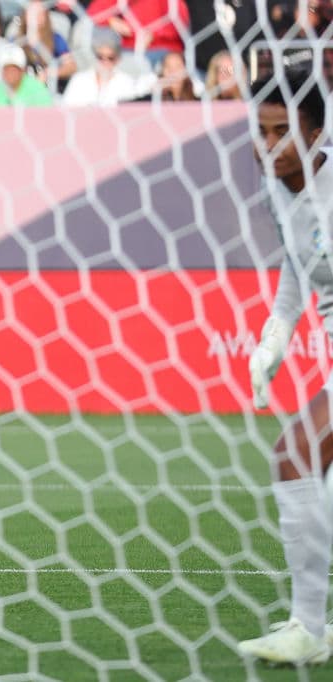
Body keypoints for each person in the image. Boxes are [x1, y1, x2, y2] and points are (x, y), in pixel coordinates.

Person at [236, 68, 333, 666]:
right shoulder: (280, 188)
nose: (269, 146)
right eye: (262, 131)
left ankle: (309, 629)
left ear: (318, 135)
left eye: (283, 132)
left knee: (296, 452)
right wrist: (272, 344)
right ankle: (314, 621)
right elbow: (296, 278)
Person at [61, 26, 138, 107]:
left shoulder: (126, 82)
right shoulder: (79, 79)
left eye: (110, 58)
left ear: (118, 59)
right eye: (100, 57)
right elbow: (66, 108)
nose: (105, 62)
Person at [0, 42, 53, 107]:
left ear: (23, 70)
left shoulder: (38, 89)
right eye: (7, 69)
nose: (10, 73)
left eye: (14, 69)